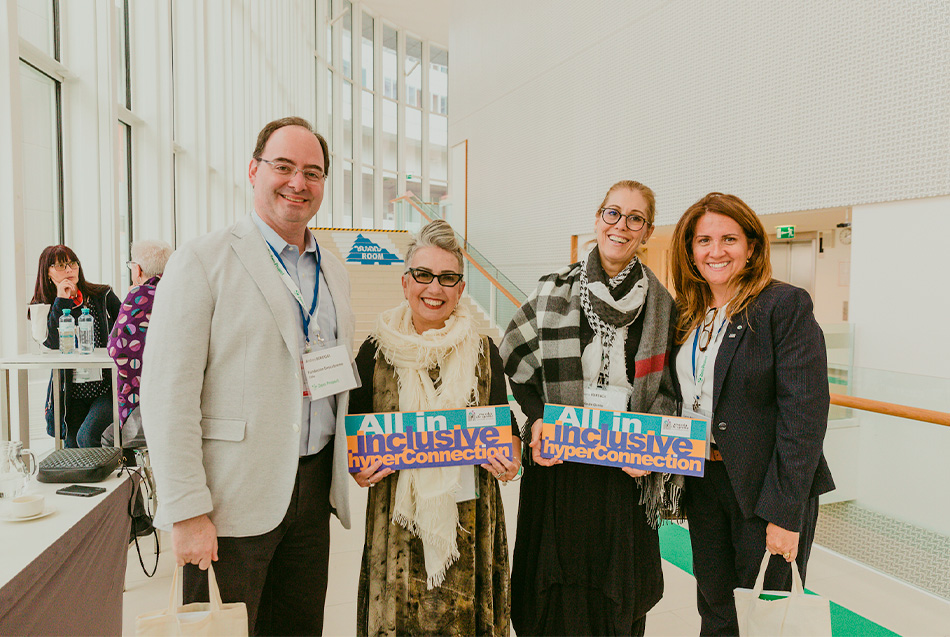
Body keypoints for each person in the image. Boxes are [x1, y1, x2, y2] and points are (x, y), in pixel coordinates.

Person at [141, 117, 355, 636]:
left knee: (299, 628)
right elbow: (168, 396)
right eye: (283, 167)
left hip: (311, 492)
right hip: (229, 504)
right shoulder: (203, 260)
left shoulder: (333, 266)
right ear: (253, 170)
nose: (297, 183)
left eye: (312, 172)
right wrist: (187, 511)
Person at [500, 180, 681, 636]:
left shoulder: (662, 305)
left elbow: (674, 387)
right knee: (552, 589)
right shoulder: (553, 290)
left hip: (624, 475)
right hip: (560, 468)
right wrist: (539, 419)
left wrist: (652, 445)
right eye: (612, 213)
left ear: (647, 232)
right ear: (598, 218)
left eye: (634, 218)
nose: (621, 225)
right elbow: (517, 361)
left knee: (616, 593)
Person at [668, 192, 835, 635]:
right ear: (690, 250)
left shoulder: (783, 306)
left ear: (752, 246)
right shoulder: (687, 312)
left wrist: (784, 513)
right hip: (704, 479)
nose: (715, 251)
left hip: (766, 487)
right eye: (703, 240)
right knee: (716, 607)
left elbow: (805, 415)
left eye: (729, 238)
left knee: (764, 616)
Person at [349, 219, 520, 636]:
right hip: (398, 523)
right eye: (423, 275)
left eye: (447, 278)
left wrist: (511, 458)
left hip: (469, 520)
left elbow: (506, 426)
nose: (434, 288)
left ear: (460, 289)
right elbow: (354, 430)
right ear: (405, 282)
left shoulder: (483, 351)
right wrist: (357, 469)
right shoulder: (374, 350)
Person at [30, 245, 121, 448]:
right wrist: (62, 300)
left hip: (105, 388)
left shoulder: (101, 295)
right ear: (48, 272)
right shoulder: (45, 305)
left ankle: (103, 477)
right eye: (62, 266)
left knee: (86, 437)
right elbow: (51, 343)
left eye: (73, 264)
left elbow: (127, 324)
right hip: (71, 394)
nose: (69, 270)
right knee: (71, 448)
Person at [104, 239, 174, 447]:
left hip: (145, 403)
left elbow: (117, 349)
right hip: (177, 396)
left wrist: (133, 295)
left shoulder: (139, 296)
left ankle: (133, 478)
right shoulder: (178, 289)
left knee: (107, 438)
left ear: (138, 269)